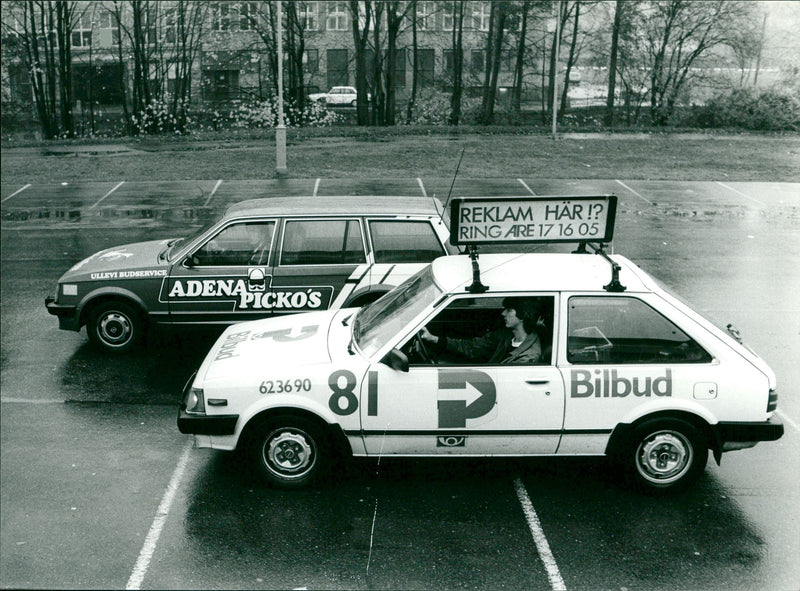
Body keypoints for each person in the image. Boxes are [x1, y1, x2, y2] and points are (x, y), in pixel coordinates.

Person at [419, 297, 543, 365]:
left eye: (509, 310)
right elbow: (471, 347)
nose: (503, 313)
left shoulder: (528, 357)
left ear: (523, 314)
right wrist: (433, 338)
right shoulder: (504, 336)